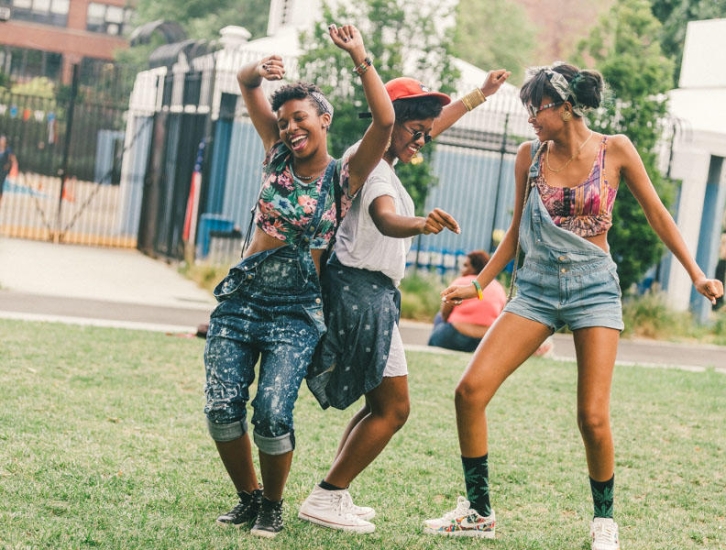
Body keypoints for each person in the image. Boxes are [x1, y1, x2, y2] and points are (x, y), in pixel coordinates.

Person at [423, 62, 723, 549]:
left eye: (535, 107)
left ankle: (604, 520)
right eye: (526, 108)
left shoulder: (615, 149)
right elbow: (518, 232)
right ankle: (478, 512)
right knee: (469, 391)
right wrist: (478, 285)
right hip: (537, 290)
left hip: (593, 289)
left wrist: (696, 274)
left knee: (593, 417)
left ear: (565, 107)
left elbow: (658, 215)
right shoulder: (529, 157)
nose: (529, 118)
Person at [202, 24, 394, 539]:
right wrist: (256, 70)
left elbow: (385, 119)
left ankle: (273, 505)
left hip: (295, 310)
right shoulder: (275, 155)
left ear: (324, 120)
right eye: (284, 121)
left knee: (270, 411)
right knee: (221, 405)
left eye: (300, 118)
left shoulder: (344, 176)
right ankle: (248, 498)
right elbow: (245, 85)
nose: (289, 127)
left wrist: (359, 56)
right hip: (242, 299)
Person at [300, 70, 511, 534]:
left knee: (379, 406)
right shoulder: (371, 164)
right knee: (394, 409)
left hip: (370, 294)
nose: (422, 141)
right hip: (361, 293)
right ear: (390, 122)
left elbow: (431, 124)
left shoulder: (384, 159)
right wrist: (421, 224)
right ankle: (327, 495)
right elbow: (385, 217)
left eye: (424, 135)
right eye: (415, 132)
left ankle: (333, 493)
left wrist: (480, 95)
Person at [428, 250, 507, 352]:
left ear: (475, 268)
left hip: (456, 333)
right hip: (484, 340)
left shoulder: (461, 282)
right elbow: (502, 315)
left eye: (465, 266)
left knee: (439, 317)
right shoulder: (498, 287)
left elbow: (445, 311)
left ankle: (432, 351)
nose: (462, 270)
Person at [0, 135, 18, 207]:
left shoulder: (8, 149)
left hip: (3, 170)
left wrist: (9, 165)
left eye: (2, 140)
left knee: (0, 185)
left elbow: (13, 158)